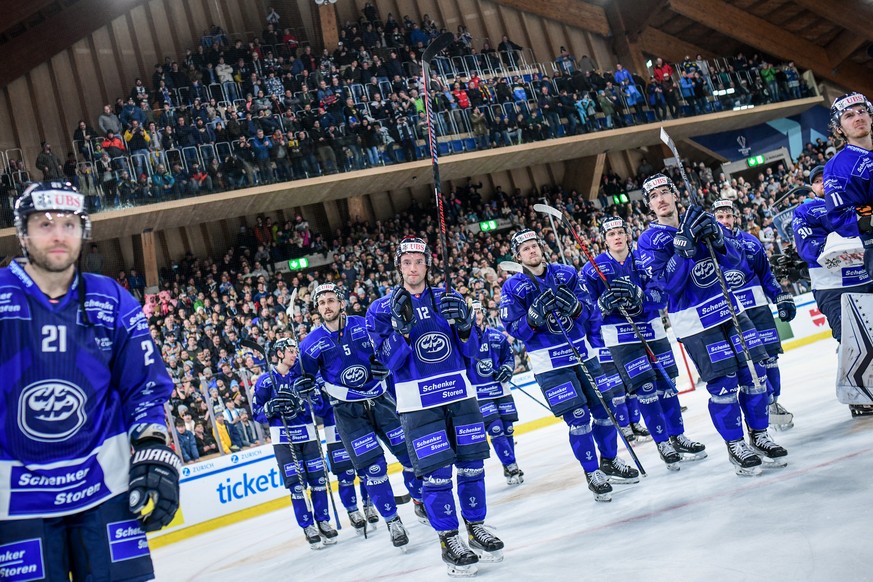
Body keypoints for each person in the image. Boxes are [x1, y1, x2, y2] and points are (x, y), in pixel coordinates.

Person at [0, 182, 179, 580]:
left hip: (104, 490)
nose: (59, 234)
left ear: (84, 232)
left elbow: (145, 388)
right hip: (13, 503)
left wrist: (152, 448)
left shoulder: (112, 299)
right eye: (45, 224)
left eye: (69, 223)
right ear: (22, 233)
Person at [366, 237, 504, 577]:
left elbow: (472, 351)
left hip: (458, 394)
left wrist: (466, 325)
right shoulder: (381, 309)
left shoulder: (448, 298)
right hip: (417, 403)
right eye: (407, 262)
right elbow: (386, 363)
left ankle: (476, 526)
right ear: (399, 266)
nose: (413, 268)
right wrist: (402, 332)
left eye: (419, 261)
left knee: (472, 466)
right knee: (437, 473)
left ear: (428, 264)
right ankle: (448, 539)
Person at [637, 173, 787, 476]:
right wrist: (682, 252)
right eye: (654, 196)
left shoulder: (702, 219)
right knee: (724, 385)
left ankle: (759, 435)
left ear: (676, 195)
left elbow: (737, 261)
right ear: (649, 206)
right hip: (695, 322)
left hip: (731, 309)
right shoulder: (648, 241)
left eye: (665, 192)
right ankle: (735, 445)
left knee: (755, 374)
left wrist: (719, 241)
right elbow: (665, 287)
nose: (662, 199)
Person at [500, 228, 639, 503]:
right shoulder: (513, 287)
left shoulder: (565, 273)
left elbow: (590, 310)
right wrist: (532, 319)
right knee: (578, 419)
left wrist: (576, 308)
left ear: (542, 248)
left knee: (605, 409)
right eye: (525, 249)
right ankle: (592, 472)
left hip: (583, 355)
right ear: (518, 256)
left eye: (534, 246)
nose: (531, 251)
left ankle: (609, 461)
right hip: (550, 365)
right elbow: (514, 329)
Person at [299, 283, 423, 548]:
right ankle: (392, 521)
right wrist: (305, 388)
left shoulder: (364, 324)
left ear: (341, 303)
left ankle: (419, 499)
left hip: (380, 400)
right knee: (374, 468)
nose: (326, 307)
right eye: (321, 303)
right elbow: (307, 379)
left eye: (331, 301)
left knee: (408, 454)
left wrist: (385, 365)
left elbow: (387, 349)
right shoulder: (310, 344)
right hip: (347, 412)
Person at [582, 217, 707, 471]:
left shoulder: (644, 258)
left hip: (653, 330)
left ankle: (678, 436)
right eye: (611, 234)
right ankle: (663, 443)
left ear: (627, 235)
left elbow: (662, 292)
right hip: (621, 337)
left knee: (667, 385)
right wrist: (601, 307)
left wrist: (641, 298)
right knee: (646, 388)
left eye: (620, 232)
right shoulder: (592, 268)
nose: (617, 237)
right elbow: (586, 309)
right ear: (604, 239)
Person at [793, 166, 873, 416]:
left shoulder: (852, 203)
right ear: (812, 188)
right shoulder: (805, 209)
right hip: (831, 287)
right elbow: (808, 249)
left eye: (826, 179)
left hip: (864, 279)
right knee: (849, 339)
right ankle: (857, 394)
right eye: (817, 181)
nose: (823, 184)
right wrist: (840, 243)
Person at [712, 199, 797, 430]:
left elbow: (766, 275)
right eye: (720, 218)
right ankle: (762, 406)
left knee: (770, 358)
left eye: (728, 216)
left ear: (736, 217)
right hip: (732, 313)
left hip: (758, 308)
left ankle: (773, 403)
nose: (725, 221)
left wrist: (779, 295)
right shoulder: (709, 247)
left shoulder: (751, 242)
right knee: (752, 362)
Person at [251, 337, 339, 549]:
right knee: (297, 486)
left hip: (308, 435)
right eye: (290, 351)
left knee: (318, 481)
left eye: (295, 351)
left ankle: (323, 520)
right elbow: (256, 412)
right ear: (280, 353)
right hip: (284, 439)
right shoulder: (265, 381)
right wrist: (270, 408)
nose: (295, 355)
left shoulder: (303, 376)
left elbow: (320, 407)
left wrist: (307, 398)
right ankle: (308, 526)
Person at [467, 301, 524, 484]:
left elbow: (508, 358)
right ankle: (511, 464)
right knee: (496, 429)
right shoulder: (464, 342)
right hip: (479, 393)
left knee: (507, 428)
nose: (476, 315)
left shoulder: (496, 336)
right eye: (472, 312)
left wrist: (507, 369)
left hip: (501, 389)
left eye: (478, 311)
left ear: (483, 314)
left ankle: (508, 466)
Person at [824, 92, 873, 279]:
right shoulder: (837, 167)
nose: (858, 117)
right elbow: (841, 217)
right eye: (849, 115)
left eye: (862, 111)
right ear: (839, 129)